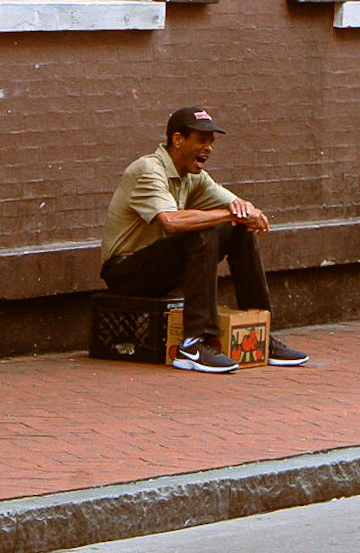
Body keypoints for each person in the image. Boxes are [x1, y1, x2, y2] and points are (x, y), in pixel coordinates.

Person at [99, 107, 308, 373]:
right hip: (125, 272)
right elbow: (171, 222)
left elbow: (236, 206)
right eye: (201, 140)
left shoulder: (193, 176)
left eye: (211, 142)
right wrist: (226, 215)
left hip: (160, 267)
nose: (208, 148)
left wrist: (248, 212)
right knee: (204, 231)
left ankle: (260, 332)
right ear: (177, 140)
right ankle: (192, 345)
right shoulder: (148, 170)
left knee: (236, 230)